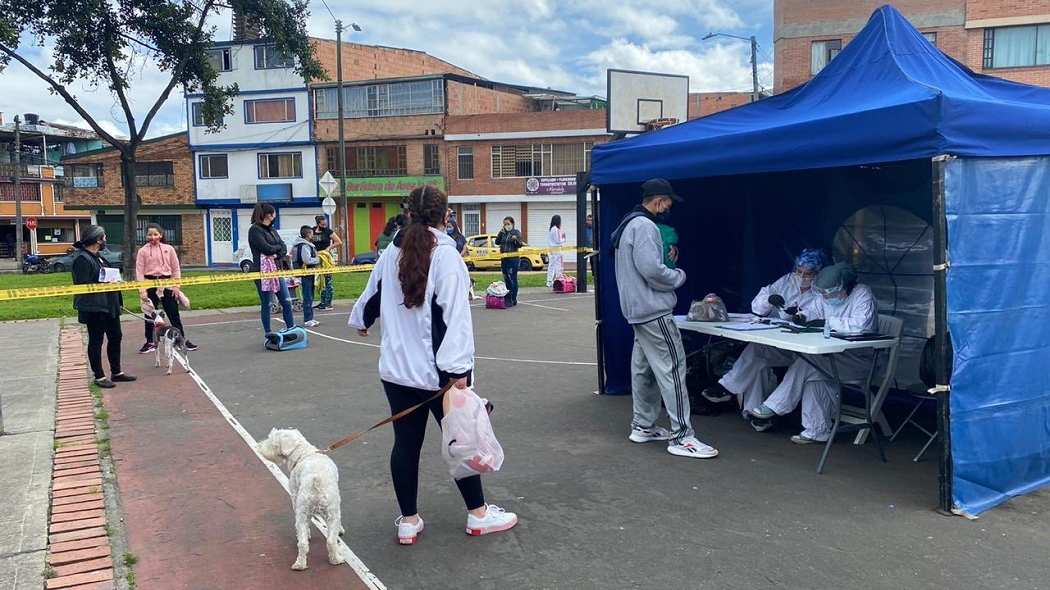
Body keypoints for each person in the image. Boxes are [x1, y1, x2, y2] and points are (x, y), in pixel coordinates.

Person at [349, 185, 518, 545]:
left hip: (396, 372)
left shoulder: (389, 252)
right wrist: (460, 371)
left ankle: (408, 521)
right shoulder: (446, 255)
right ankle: (478, 515)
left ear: (409, 213)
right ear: (446, 215)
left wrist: (361, 321)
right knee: (461, 440)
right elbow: (455, 317)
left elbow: (371, 297)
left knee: (405, 445)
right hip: (441, 375)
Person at [610, 178, 718, 459]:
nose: (670, 206)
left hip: (637, 311)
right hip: (654, 311)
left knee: (643, 369)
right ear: (659, 200)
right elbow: (653, 270)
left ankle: (643, 426)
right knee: (673, 368)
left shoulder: (628, 223)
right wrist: (678, 275)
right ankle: (683, 436)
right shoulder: (645, 226)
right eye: (668, 201)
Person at [747, 263, 879, 444]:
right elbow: (814, 309)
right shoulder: (826, 296)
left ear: (846, 286)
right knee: (814, 370)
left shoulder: (862, 294)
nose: (826, 297)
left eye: (830, 293)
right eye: (823, 293)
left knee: (808, 363)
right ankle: (817, 431)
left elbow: (861, 325)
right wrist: (802, 315)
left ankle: (775, 405)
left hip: (858, 360)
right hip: (832, 356)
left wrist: (827, 322)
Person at [701, 249, 828, 429]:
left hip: (804, 349)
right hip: (780, 341)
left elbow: (821, 315)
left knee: (759, 354)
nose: (802, 276)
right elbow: (758, 308)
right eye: (799, 271)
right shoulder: (786, 281)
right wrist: (769, 300)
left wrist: (802, 315)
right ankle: (755, 414)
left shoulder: (823, 290)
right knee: (757, 352)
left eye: (808, 274)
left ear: (819, 272)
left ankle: (729, 388)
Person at [72, 225, 136, 389]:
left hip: (110, 306)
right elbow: (83, 285)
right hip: (95, 308)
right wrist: (104, 282)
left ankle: (117, 372)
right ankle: (99, 376)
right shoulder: (82, 259)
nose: (106, 239)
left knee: (116, 337)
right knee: (96, 341)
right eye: (104, 237)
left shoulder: (99, 256)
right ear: (97, 239)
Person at [136, 223, 196, 353]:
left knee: (173, 313)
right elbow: (139, 271)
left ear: (161, 235)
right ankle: (150, 341)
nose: (153, 237)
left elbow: (175, 269)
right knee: (150, 314)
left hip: (167, 283)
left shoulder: (169, 249)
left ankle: (181, 339)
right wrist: (142, 290)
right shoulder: (143, 251)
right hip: (149, 283)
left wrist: (176, 286)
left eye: (156, 234)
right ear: (146, 236)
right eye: (150, 234)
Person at [249, 203, 295, 335]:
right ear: (268, 215)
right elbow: (265, 248)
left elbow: (283, 247)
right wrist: (275, 250)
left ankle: (290, 328)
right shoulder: (255, 230)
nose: (275, 216)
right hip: (262, 271)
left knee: (286, 301)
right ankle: (268, 332)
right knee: (267, 303)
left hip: (277, 269)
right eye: (274, 213)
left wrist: (276, 253)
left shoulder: (272, 230)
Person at [291, 225, 321, 327]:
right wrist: (318, 259)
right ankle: (308, 319)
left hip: (308, 273)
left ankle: (311, 317)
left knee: (310, 296)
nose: (313, 235)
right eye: (312, 233)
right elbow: (307, 260)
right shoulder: (304, 246)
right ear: (308, 234)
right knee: (307, 296)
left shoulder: (306, 245)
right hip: (305, 273)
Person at [311, 215, 342, 310]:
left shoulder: (328, 231)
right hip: (316, 258)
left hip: (326, 258)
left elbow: (339, 242)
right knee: (320, 281)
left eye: (325, 223)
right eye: (322, 224)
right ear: (318, 223)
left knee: (328, 280)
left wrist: (329, 248)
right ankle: (322, 302)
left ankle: (328, 303)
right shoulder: (312, 231)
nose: (324, 225)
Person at [494, 217, 523, 307]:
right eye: (505, 224)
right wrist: (500, 233)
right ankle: (508, 297)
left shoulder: (516, 232)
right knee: (506, 278)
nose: (506, 226)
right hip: (504, 259)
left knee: (512, 278)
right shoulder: (503, 233)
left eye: (508, 224)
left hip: (513, 259)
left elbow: (520, 244)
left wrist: (515, 239)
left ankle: (513, 298)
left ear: (512, 224)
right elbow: (497, 242)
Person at [545, 214, 566, 287]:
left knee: (551, 266)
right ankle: (558, 280)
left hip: (551, 249)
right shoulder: (556, 229)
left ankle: (549, 281)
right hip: (556, 249)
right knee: (558, 265)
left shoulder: (551, 229)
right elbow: (558, 240)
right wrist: (564, 239)